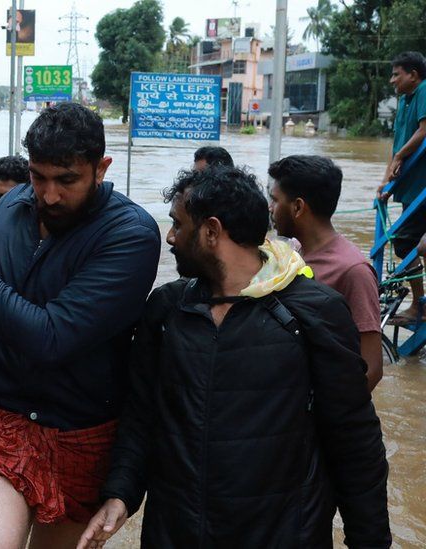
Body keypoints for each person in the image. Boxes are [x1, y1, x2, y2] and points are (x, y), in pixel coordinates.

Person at [79, 166, 391, 548]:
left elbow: (353, 440)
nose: (171, 237)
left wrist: (369, 540)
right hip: (175, 533)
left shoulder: (312, 313)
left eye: (178, 224)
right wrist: (120, 494)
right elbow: (141, 416)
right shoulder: (166, 311)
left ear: (211, 231)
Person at [0, 102, 161, 548]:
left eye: (66, 180)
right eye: (39, 177)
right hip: (2, 415)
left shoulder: (130, 236)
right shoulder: (11, 210)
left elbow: (52, 337)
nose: (49, 195)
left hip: (81, 431)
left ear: (101, 167)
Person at [268, 155, 383, 392]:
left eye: (275, 200)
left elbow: (372, 368)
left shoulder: (352, 270)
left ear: (298, 207)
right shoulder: (294, 253)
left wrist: (329, 416)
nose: (271, 209)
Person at [377, 51, 426, 324]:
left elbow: (424, 130)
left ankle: (420, 305)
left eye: (397, 74)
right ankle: (419, 304)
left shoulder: (424, 91)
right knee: (408, 242)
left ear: (413, 75)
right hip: (412, 189)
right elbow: (398, 148)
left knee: (405, 242)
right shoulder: (406, 101)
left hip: (422, 187)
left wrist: (397, 159)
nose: (392, 80)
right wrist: (386, 182)